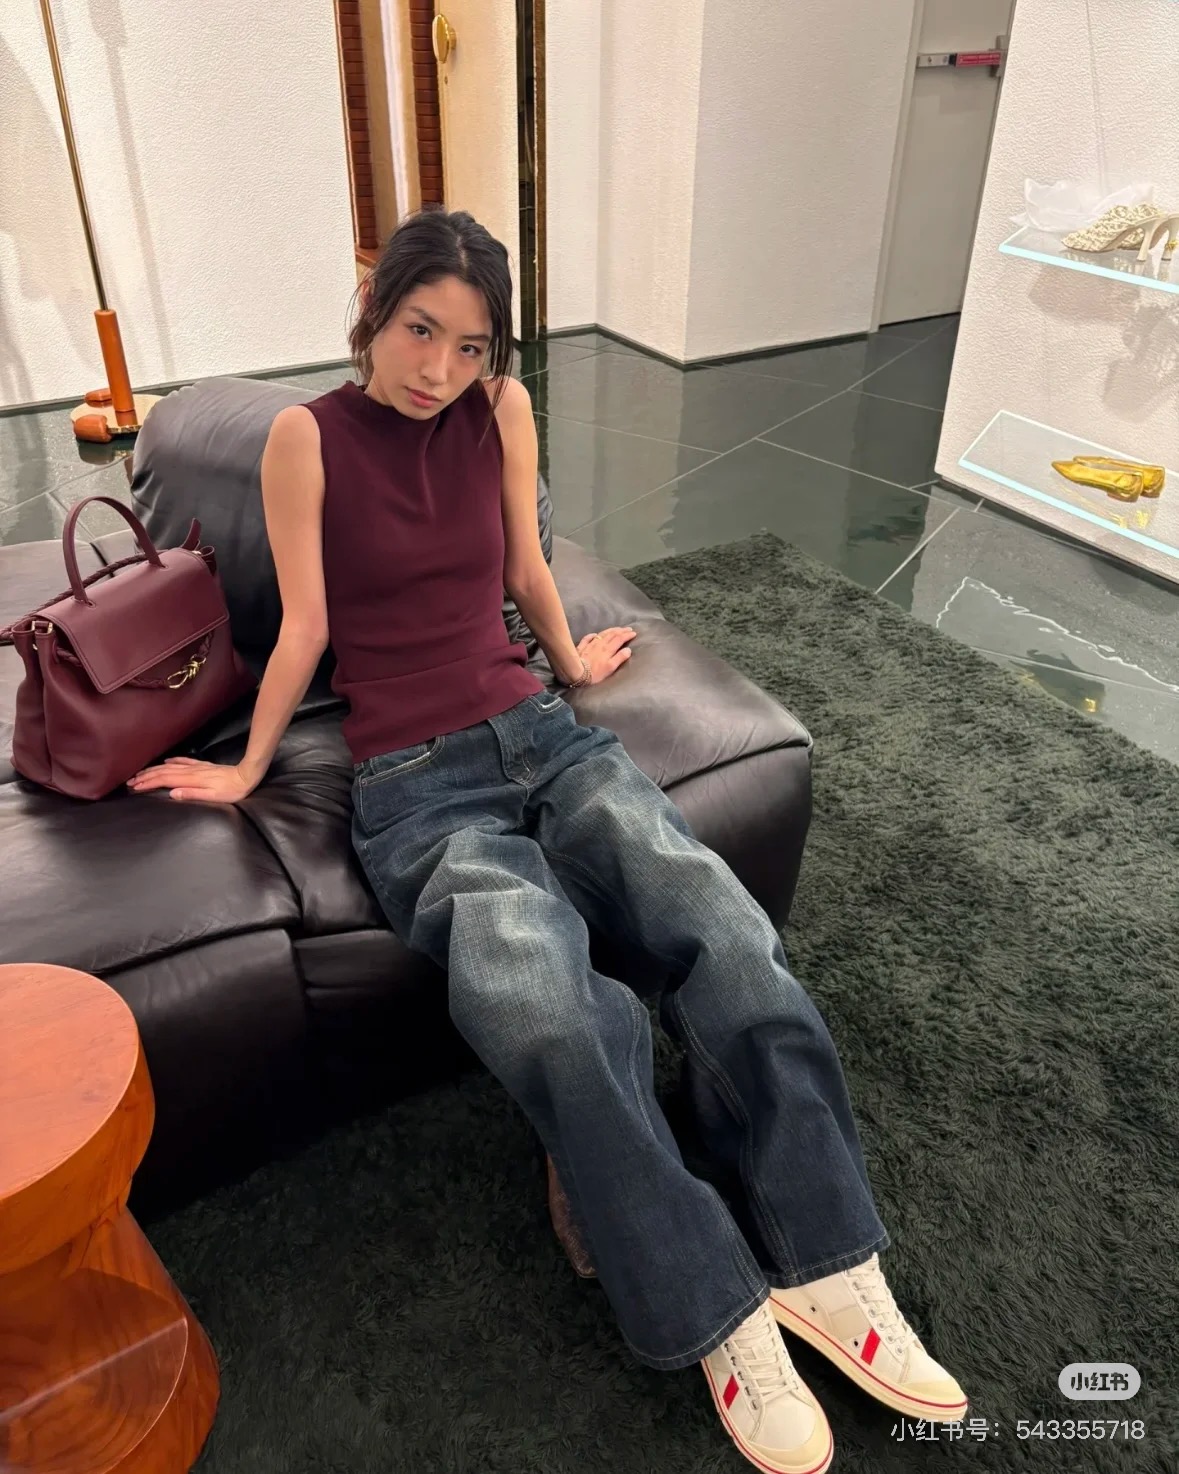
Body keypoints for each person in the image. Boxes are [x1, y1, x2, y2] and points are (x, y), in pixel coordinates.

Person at [128, 209, 967, 1474]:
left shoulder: (502, 412)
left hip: (547, 737)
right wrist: (246, 764)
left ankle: (829, 1260)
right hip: (415, 787)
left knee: (728, 931)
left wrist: (571, 660)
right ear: (375, 309)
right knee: (554, 1016)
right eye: (420, 330)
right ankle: (715, 1309)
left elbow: (524, 565)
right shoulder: (308, 437)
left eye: (471, 346)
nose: (439, 369)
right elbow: (304, 627)